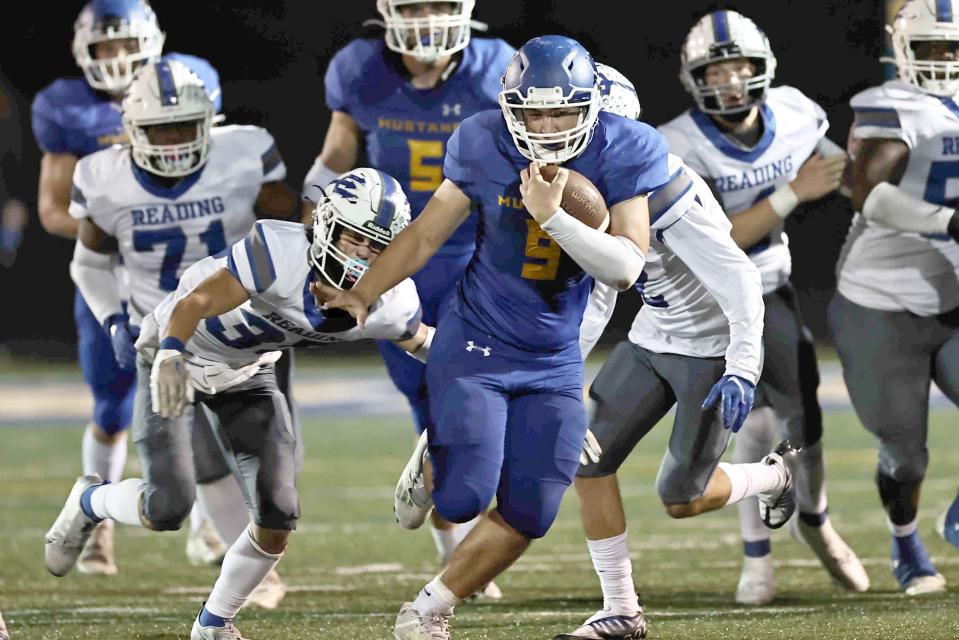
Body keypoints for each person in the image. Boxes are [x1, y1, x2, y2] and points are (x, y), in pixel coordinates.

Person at [322, 34, 669, 640]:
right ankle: (438, 458)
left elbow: (623, 267)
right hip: (478, 339)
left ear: (591, 105)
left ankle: (426, 611)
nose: (546, 123)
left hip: (556, 353)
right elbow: (426, 235)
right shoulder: (484, 140)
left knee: (533, 510)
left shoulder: (626, 148)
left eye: (561, 109)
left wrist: (553, 215)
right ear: (510, 105)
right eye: (533, 110)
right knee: (461, 499)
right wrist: (362, 291)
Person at [45, 167, 430, 639]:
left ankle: (213, 624)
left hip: (247, 372)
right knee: (166, 507)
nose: (365, 256)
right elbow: (196, 302)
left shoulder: (389, 300)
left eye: (379, 247)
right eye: (356, 239)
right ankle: (90, 500)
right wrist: (168, 354)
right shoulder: (279, 254)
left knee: (279, 513)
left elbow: (427, 344)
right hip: (178, 352)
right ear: (327, 223)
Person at [554, 64, 787, 640]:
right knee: (586, 460)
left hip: (709, 352)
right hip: (652, 338)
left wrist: (742, 368)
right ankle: (622, 610)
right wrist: (562, 373)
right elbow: (605, 290)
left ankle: (772, 476)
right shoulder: (593, 183)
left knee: (680, 498)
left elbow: (740, 279)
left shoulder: (662, 185)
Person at [67, 58, 299, 607]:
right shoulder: (104, 177)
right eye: (158, 130)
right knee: (179, 486)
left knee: (274, 464)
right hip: (164, 334)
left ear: (210, 122)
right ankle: (239, 563)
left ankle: (242, 553)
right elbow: (88, 264)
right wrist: (112, 319)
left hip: (245, 334)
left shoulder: (244, 154)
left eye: (183, 128)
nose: (171, 143)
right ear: (131, 130)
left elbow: (290, 226)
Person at [658, 9, 869, 605]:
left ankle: (817, 519)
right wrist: (792, 193)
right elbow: (717, 237)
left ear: (761, 68)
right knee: (736, 426)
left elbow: (842, 171)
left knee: (805, 424)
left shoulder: (796, 112)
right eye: (715, 70)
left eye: (738, 68)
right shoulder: (678, 144)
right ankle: (757, 559)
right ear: (694, 77)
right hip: (702, 302)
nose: (727, 81)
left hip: (770, 287)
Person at [301, 0, 514, 588]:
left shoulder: (495, 66)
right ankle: (454, 543)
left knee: (473, 386)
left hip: (478, 256)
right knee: (422, 392)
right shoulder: (359, 68)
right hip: (391, 260)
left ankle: (453, 513)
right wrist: (314, 229)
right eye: (414, 5)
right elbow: (334, 158)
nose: (426, 19)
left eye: (439, 5)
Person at [30, 0, 226, 574]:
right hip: (115, 278)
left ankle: (209, 531)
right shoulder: (66, 108)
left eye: (125, 44)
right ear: (83, 52)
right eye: (104, 47)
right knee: (113, 404)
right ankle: (97, 530)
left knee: (212, 400)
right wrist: (128, 223)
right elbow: (51, 208)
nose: (116, 58)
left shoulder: (191, 82)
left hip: (188, 275)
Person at [833, 0, 959, 596]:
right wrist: (946, 222)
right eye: (931, 48)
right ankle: (906, 543)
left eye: (953, 50)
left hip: (954, 296)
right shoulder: (892, 105)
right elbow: (867, 194)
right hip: (880, 301)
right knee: (905, 456)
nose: (943, 61)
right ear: (904, 52)